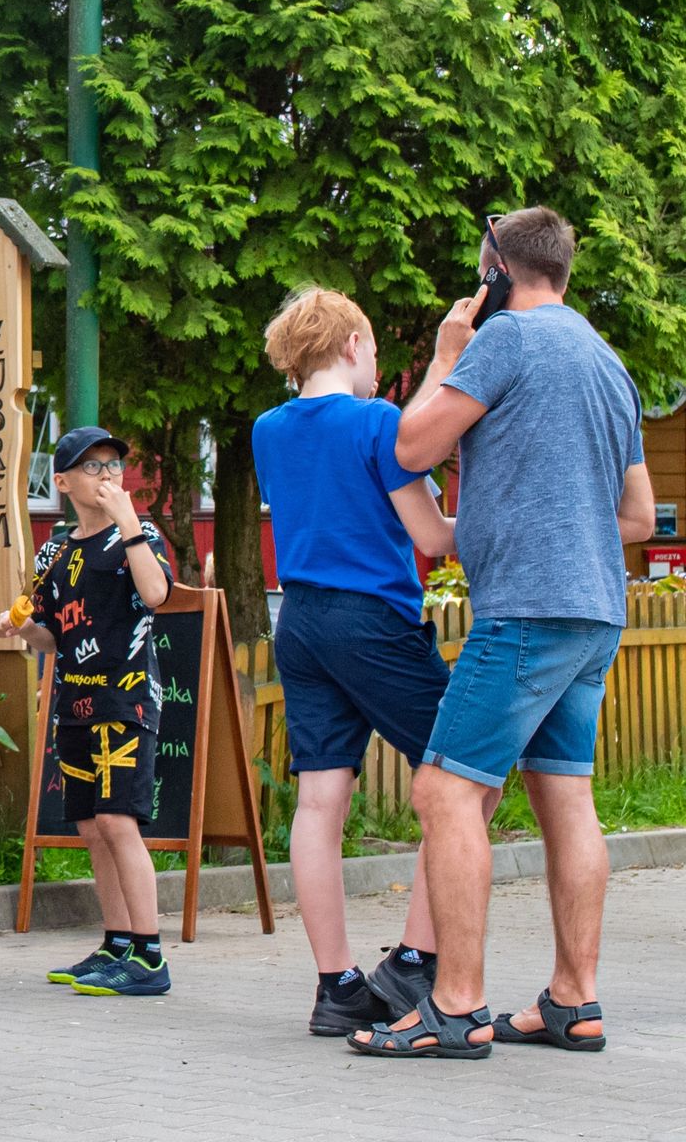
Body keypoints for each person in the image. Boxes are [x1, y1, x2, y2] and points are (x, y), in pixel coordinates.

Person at [356, 207, 655, 1060]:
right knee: (566, 800)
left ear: (497, 273)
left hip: (524, 608)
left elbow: (411, 446)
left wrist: (448, 354)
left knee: (444, 793)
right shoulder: (606, 361)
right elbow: (637, 515)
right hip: (596, 608)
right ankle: (573, 1001)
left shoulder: (508, 341)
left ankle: (455, 1004)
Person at [251, 288, 459, 1036]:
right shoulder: (378, 424)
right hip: (372, 618)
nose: (376, 364)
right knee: (463, 777)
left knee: (319, 803)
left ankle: (336, 985)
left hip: (299, 619)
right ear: (349, 346)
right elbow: (432, 538)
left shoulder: (266, 430)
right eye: (372, 349)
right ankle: (413, 959)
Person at [0, 426, 174, 997]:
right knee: (92, 827)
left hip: (124, 698)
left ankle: (149, 956)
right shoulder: (55, 548)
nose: (106, 476)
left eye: (113, 466)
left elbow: (156, 595)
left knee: (120, 821)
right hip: (73, 700)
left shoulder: (140, 533)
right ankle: (116, 942)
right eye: (92, 467)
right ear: (65, 481)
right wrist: (22, 627)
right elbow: (50, 637)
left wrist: (127, 524)